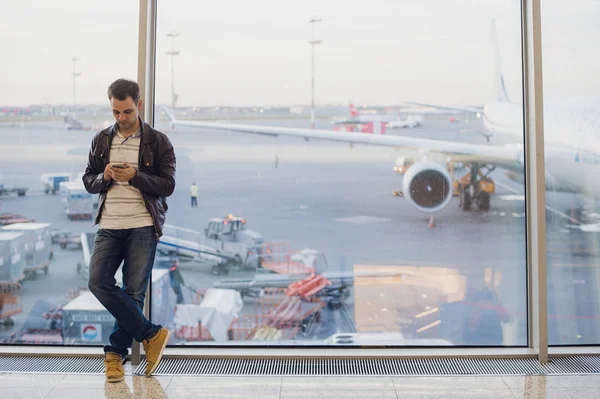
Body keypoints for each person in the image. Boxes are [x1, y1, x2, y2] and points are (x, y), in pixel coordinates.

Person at [82, 78, 176, 383]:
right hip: (109, 224)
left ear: (139, 104)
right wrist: (105, 176)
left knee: (134, 293)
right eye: (115, 112)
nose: (121, 118)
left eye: (126, 111)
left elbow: (168, 186)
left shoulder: (159, 141)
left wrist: (136, 176)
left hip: (142, 224)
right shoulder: (100, 140)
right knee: (98, 281)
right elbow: (88, 180)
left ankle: (114, 355)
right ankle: (151, 334)